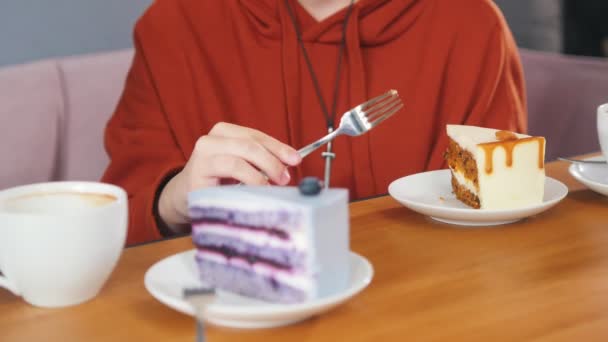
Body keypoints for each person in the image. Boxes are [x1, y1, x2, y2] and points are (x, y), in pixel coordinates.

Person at [102, 0, 527, 245]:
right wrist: (172, 200)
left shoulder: (470, 24)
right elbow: (116, 229)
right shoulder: (173, 26)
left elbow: (498, 224)